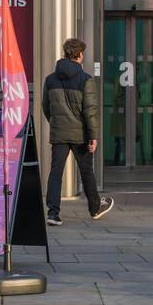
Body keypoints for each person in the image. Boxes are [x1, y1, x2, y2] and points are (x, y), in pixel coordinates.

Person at [42, 38, 113, 224]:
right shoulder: (86, 79)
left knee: (56, 172)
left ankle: (53, 213)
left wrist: (57, 122)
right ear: (80, 55)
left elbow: (45, 107)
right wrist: (93, 137)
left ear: (66, 54)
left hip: (59, 134)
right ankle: (95, 207)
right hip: (80, 134)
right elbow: (90, 111)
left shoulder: (50, 79)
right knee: (86, 171)